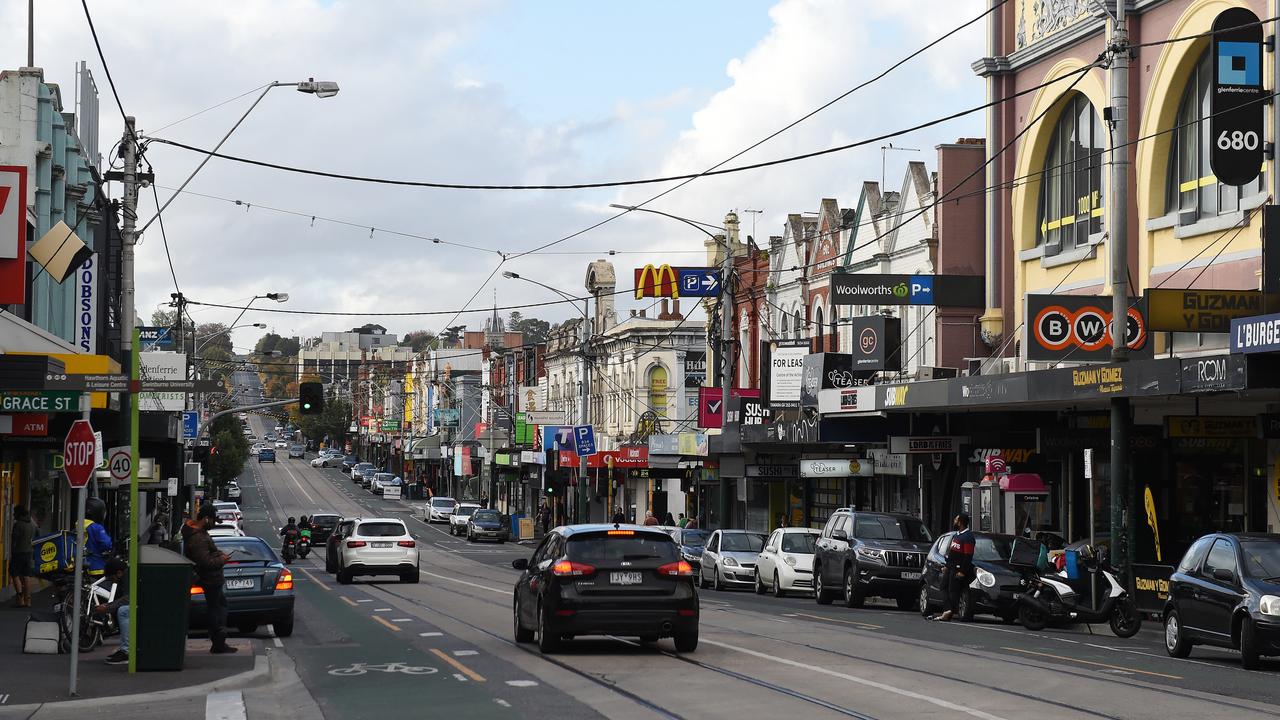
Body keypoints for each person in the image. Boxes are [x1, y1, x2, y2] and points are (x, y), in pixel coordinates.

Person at [183, 505, 236, 653]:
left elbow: (207, 553)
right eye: (213, 520)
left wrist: (218, 553)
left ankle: (219, 641)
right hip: (209, 579)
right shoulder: (198, 537)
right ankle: (218, 641)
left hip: (211, 579)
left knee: (219, 606)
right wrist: (222, 560)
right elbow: (206, 562)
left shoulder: (200, 533)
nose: (214, 524)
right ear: (206, 518)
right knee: (217, 608)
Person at [931, 513, 975, 622]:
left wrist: (962, 571)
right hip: (950, 567)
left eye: (956, 520)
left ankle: (948, 612)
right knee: (943, 587)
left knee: (952, 590)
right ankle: (948, 609)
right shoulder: (956, 535)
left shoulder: (968, 537)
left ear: (960, 522)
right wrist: (946, 566)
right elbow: (952, 553)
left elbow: (968, 555)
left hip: (958, 569)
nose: (954, 522)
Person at [95, 558, 130, 665]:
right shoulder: (125, 577)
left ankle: (127, 651)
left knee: (123, 611)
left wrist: (108, 608)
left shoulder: (127, 578)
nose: (113, 582)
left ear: (119, 573)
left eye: (112, 578)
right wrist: (109, 605)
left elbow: (129, 598)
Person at [9, 505, 36, 608]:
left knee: (14, 573)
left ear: (18, 514)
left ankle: (20, 598)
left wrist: (12, 553)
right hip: (28, 552)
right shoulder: (31, 524)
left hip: (18, 553)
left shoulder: (18, 525)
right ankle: (28, 599)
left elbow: (14, 541)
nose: (13, 514)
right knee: (26, 575)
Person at [83, 497, 114, 579]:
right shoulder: (96, 527)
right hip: (96, 567)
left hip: (82, 566)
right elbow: (106, 544)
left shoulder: (78, 525)